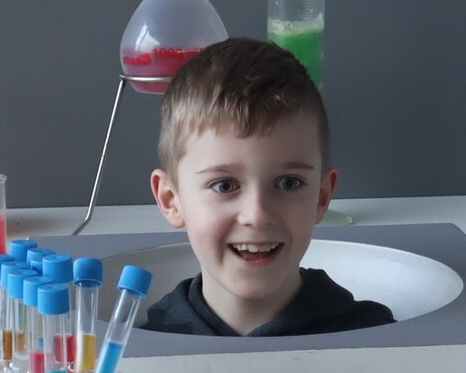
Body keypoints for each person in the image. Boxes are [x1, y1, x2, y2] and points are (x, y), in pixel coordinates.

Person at [141, 39, 396, 337]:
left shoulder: (376, 338)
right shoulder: (140, 346)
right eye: (224, 185)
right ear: (171, 200)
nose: (257, 215)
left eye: (288, 183)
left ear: (322, 196)